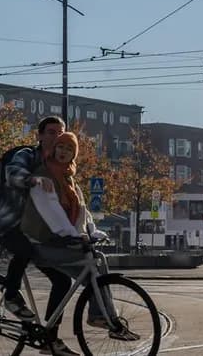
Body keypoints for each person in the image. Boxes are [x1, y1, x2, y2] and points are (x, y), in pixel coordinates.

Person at [21, 132, 138, 355]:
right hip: (41, 243)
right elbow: (52, 213)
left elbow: (83, 213)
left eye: (69, 150)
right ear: (54, 149)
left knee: (97, 261)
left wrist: (93, 232)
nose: (63, 152)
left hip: (60, 242)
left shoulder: (70, 179)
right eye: (60, 147)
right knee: (92, 263)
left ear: (74, 155)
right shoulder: (44, 177)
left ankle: (103, 318)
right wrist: (74, 237)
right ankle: (101, 318)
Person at [0, 116, 65, 322]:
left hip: (38, 230)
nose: (56, 136)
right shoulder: (28, 155)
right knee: (24, 250)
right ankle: (11, 296)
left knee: (62, 281)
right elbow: (13, 173)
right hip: (10, 225)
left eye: (60, 133)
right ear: (40, 135)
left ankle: (50, 339)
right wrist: (32, 179)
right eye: (51, 132)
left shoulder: (58, 165)